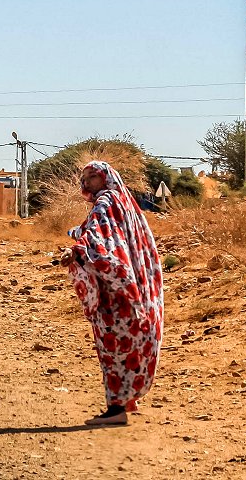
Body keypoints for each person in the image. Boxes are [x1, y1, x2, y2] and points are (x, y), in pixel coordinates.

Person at [60, 161, 164, 425]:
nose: (87, 182)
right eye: (84, 177)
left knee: (113, 345)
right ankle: (126, 400)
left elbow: (100, 237)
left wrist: (77, 251)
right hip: (130, 285)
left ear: (105, 178)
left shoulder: (106, 201)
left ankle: (116, 409)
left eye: (93, 176)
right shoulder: (124, 201)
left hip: (114, 288)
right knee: (129, 342)